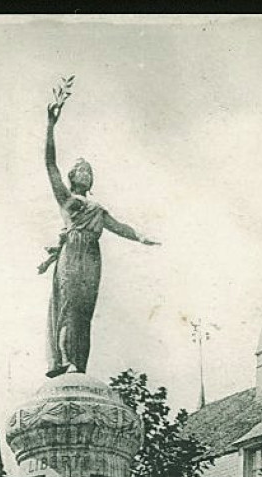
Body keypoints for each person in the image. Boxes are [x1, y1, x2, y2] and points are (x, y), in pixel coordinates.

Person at [42, 91, 160, 378]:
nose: (87, 173)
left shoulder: (97, 207)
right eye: (82, 169)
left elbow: (119, 226)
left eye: (90, 171)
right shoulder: (68, 200)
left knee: (85, 313)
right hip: (72, 252)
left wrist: (141, 237)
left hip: (92, 256)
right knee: (70, 308)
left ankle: (79, 364)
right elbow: (50, 164)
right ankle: (66, 360)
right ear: (73, 176)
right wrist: (50, 125)